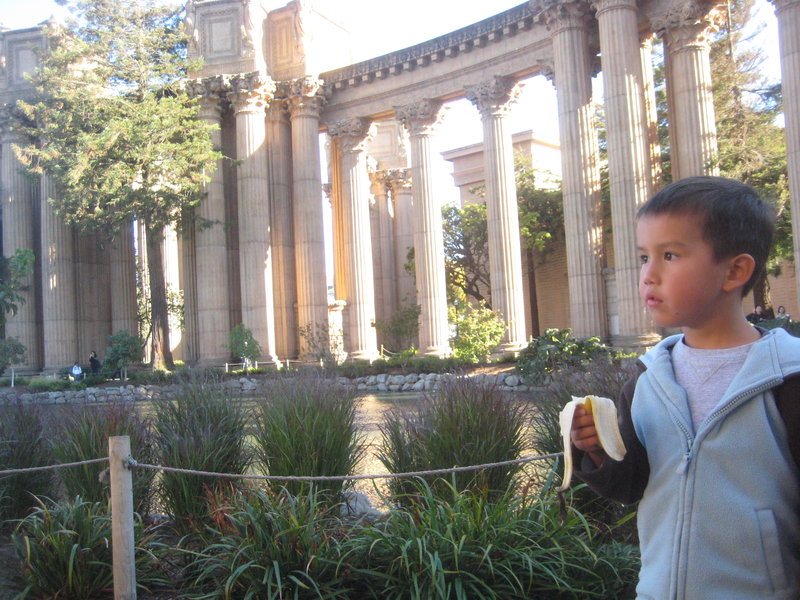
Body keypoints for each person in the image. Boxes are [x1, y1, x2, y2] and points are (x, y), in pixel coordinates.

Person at [566, 176, 800, 599]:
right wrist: (597, 451)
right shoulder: (648, 379)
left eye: (669, 255)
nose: (648, 275)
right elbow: (632, 485)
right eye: (643, 257)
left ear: (735, 270)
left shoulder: (790, 379)